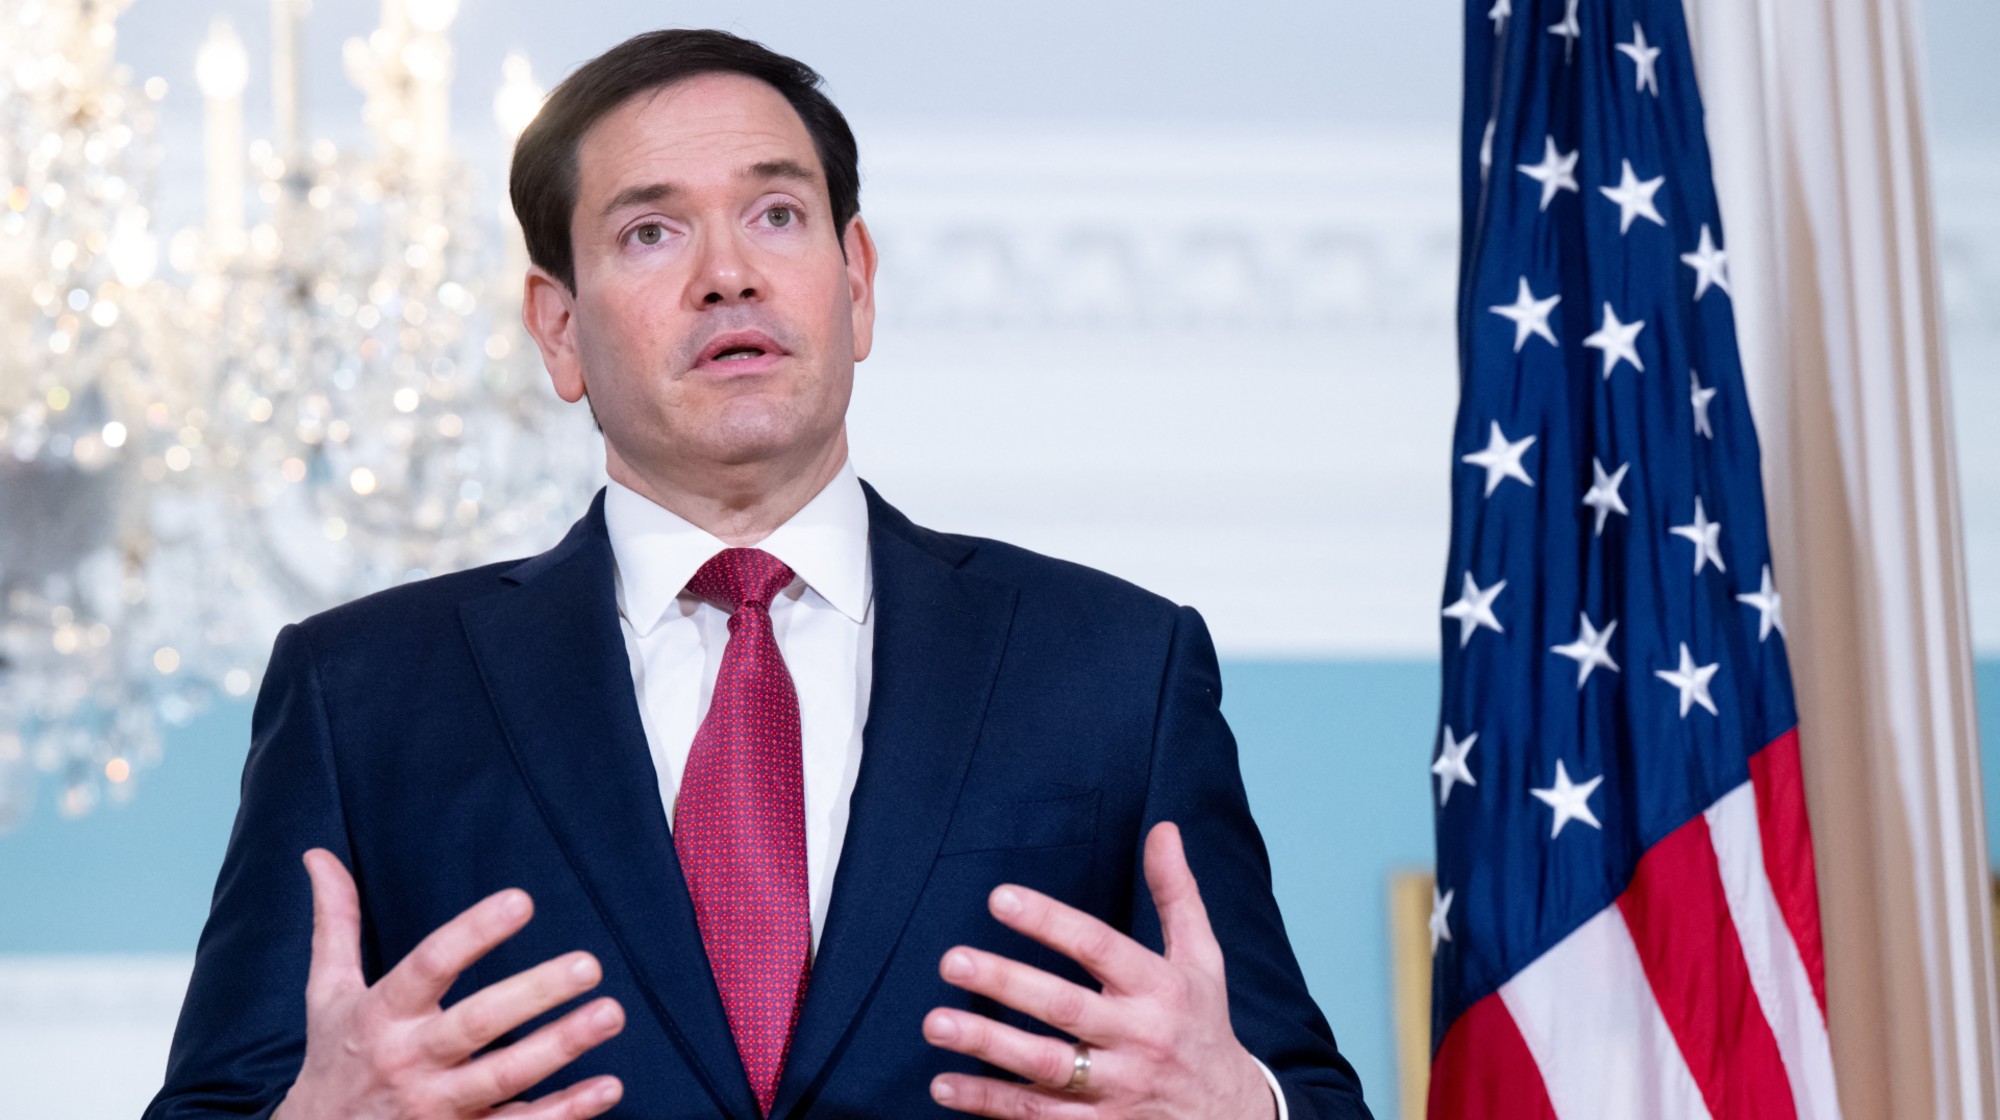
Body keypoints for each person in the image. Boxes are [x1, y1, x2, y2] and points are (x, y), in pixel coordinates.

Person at [145, 28, 1372, 1120]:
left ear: (858, 281)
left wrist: (1238, 1107)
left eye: (776, 215)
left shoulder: (1114, 665)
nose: (727, 273)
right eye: (650, 230)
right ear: (558, 329)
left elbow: (1305, 1090)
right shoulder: (360, 692)